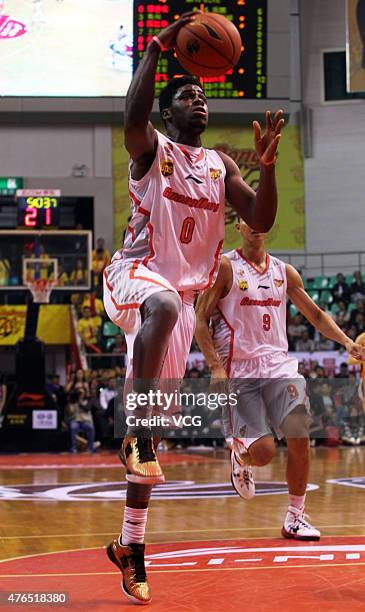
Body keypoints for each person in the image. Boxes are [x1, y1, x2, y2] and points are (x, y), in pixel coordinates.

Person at [103, 10, 284, 606]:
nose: (198, 98)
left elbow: (260, 219)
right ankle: (134, 435)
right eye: (186, 94)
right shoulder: (150, 150)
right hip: (132, 276)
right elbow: (131, 116)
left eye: (202, 92)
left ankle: (131, 544)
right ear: (167, 113)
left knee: (155, 432)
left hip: (176, 306)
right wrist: (156, 51)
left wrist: (270, 168)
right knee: (161, 305)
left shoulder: (219, 166)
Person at [195, 220, 365, 541]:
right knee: (264, 453)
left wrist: (346, 342)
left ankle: (295, 517)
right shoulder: (226, 267)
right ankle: (240, 456)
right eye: (249, 218)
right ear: (239, 226)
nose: (255, 225)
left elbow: (315, 315)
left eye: (261, 219)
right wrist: (215, 367)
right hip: (240, 371)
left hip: (280, 367)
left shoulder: (284, 272)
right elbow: (200, 320)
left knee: (300, 434)